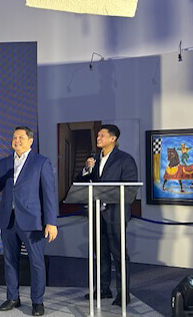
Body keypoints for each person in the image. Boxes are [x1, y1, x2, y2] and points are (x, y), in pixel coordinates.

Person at [0, 126, 58, 316]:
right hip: (8, 220)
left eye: (21, 137)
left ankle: (37, 301)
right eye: (14, 137)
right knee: (10, 260)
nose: (16, 140)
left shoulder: (41, 162)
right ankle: (12, 297)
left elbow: (49, 194)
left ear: (30, 141)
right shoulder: (4, 162)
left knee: (36, 263)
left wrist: (51, 222)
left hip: (33, 221)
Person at [77, 124, 138, 306]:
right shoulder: (93, 159)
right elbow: (81, 182)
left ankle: (123, 293)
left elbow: (131, 189)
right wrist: (87, 169)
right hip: (96, 214)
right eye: (97, 136)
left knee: (119, 255)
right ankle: (103, 289)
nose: (98, 138)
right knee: (101, 254)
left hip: (115, 215)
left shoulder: (125, 160)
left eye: (102, 135)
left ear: (113, 138)